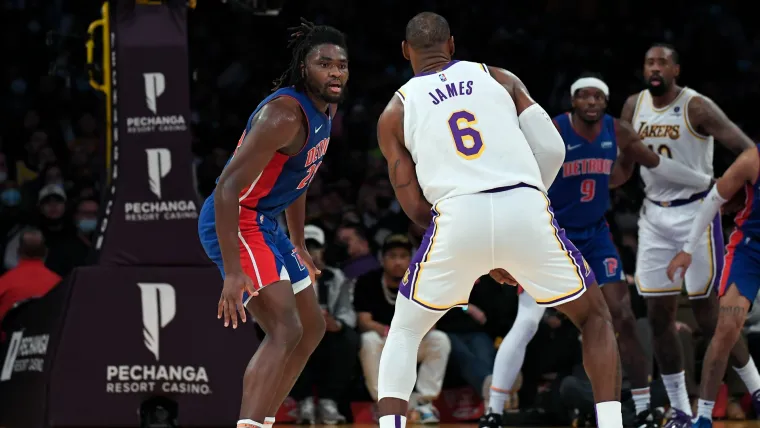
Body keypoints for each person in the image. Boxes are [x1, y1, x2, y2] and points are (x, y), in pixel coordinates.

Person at [374, 12, 623, 428]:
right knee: (595, 317)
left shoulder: (394, 111)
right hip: (523, 204)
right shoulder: (499, 78)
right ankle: (611, 424)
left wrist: (475, 246)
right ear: (452, 45)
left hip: (456, 215)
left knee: (404, 331)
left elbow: (414, 205)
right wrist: (525, 205)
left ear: (405, 52)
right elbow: (553, 148)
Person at [484, 72, 717, 427]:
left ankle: (642, 408)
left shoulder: (617, 131)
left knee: (622, 315)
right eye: (585, 97)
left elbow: (653, 163)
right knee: (528, 321)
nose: (591, 102)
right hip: (552, 235)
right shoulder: (554, 129)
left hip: (595, 236)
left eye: (598, 97)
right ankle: (494, 411)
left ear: (605, 102)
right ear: (574, 100)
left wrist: (706, 182)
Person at [196, 19, 349, 428]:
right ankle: (249, 424)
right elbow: (227, 189)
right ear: (304, 68)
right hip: (235, 219)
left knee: (311, 329)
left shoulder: (326, 110)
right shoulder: (283, 116)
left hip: (265, 221)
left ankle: (262, 419)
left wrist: (297, 242)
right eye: (324, 64)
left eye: (341, 65)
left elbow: (300, 178)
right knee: (285, 329)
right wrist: (233, 272)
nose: (335, 72)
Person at [620, 43, 760, 428]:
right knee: (659, 316)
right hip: (653, 216)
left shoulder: (696, 106)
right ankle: (681, 410)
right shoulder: (633, 106)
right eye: (649, 61)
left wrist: (736, 191)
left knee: (711, 317)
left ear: (676, 70)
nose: (655, 67)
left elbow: (745, 148)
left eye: (663, 62)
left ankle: (756, 389)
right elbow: (626, 160)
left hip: (698, 210)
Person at [667, 144, 760, 428]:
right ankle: (704, 416)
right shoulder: (753, 160)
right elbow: (714, 199)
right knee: (726, 328)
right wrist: (687, 248)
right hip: (751, 249)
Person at [355, 234, 451, 423]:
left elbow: (433, 322)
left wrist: (407, 334)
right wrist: (388, 332)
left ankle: (423, 403)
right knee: (368, 340)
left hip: (413, 340)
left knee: (440, 339)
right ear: (382, 259)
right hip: (383, 340)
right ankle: (382, 402)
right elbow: (363, 321)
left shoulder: (422, 281)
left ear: (411, 259)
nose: (398, 262)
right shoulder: (368, 281)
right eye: (392, 256)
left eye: (403, 256)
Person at [291, 225, 358, 425]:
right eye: (304, 247)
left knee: (349, 338)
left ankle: (329, 401)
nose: (310, 253)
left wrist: (337, 324)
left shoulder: (336, 277)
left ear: (323, 250)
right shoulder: (284, 276)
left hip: (328, 335)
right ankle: (304, 402)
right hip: (298, 333)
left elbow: (348, 312)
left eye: (314, 248)